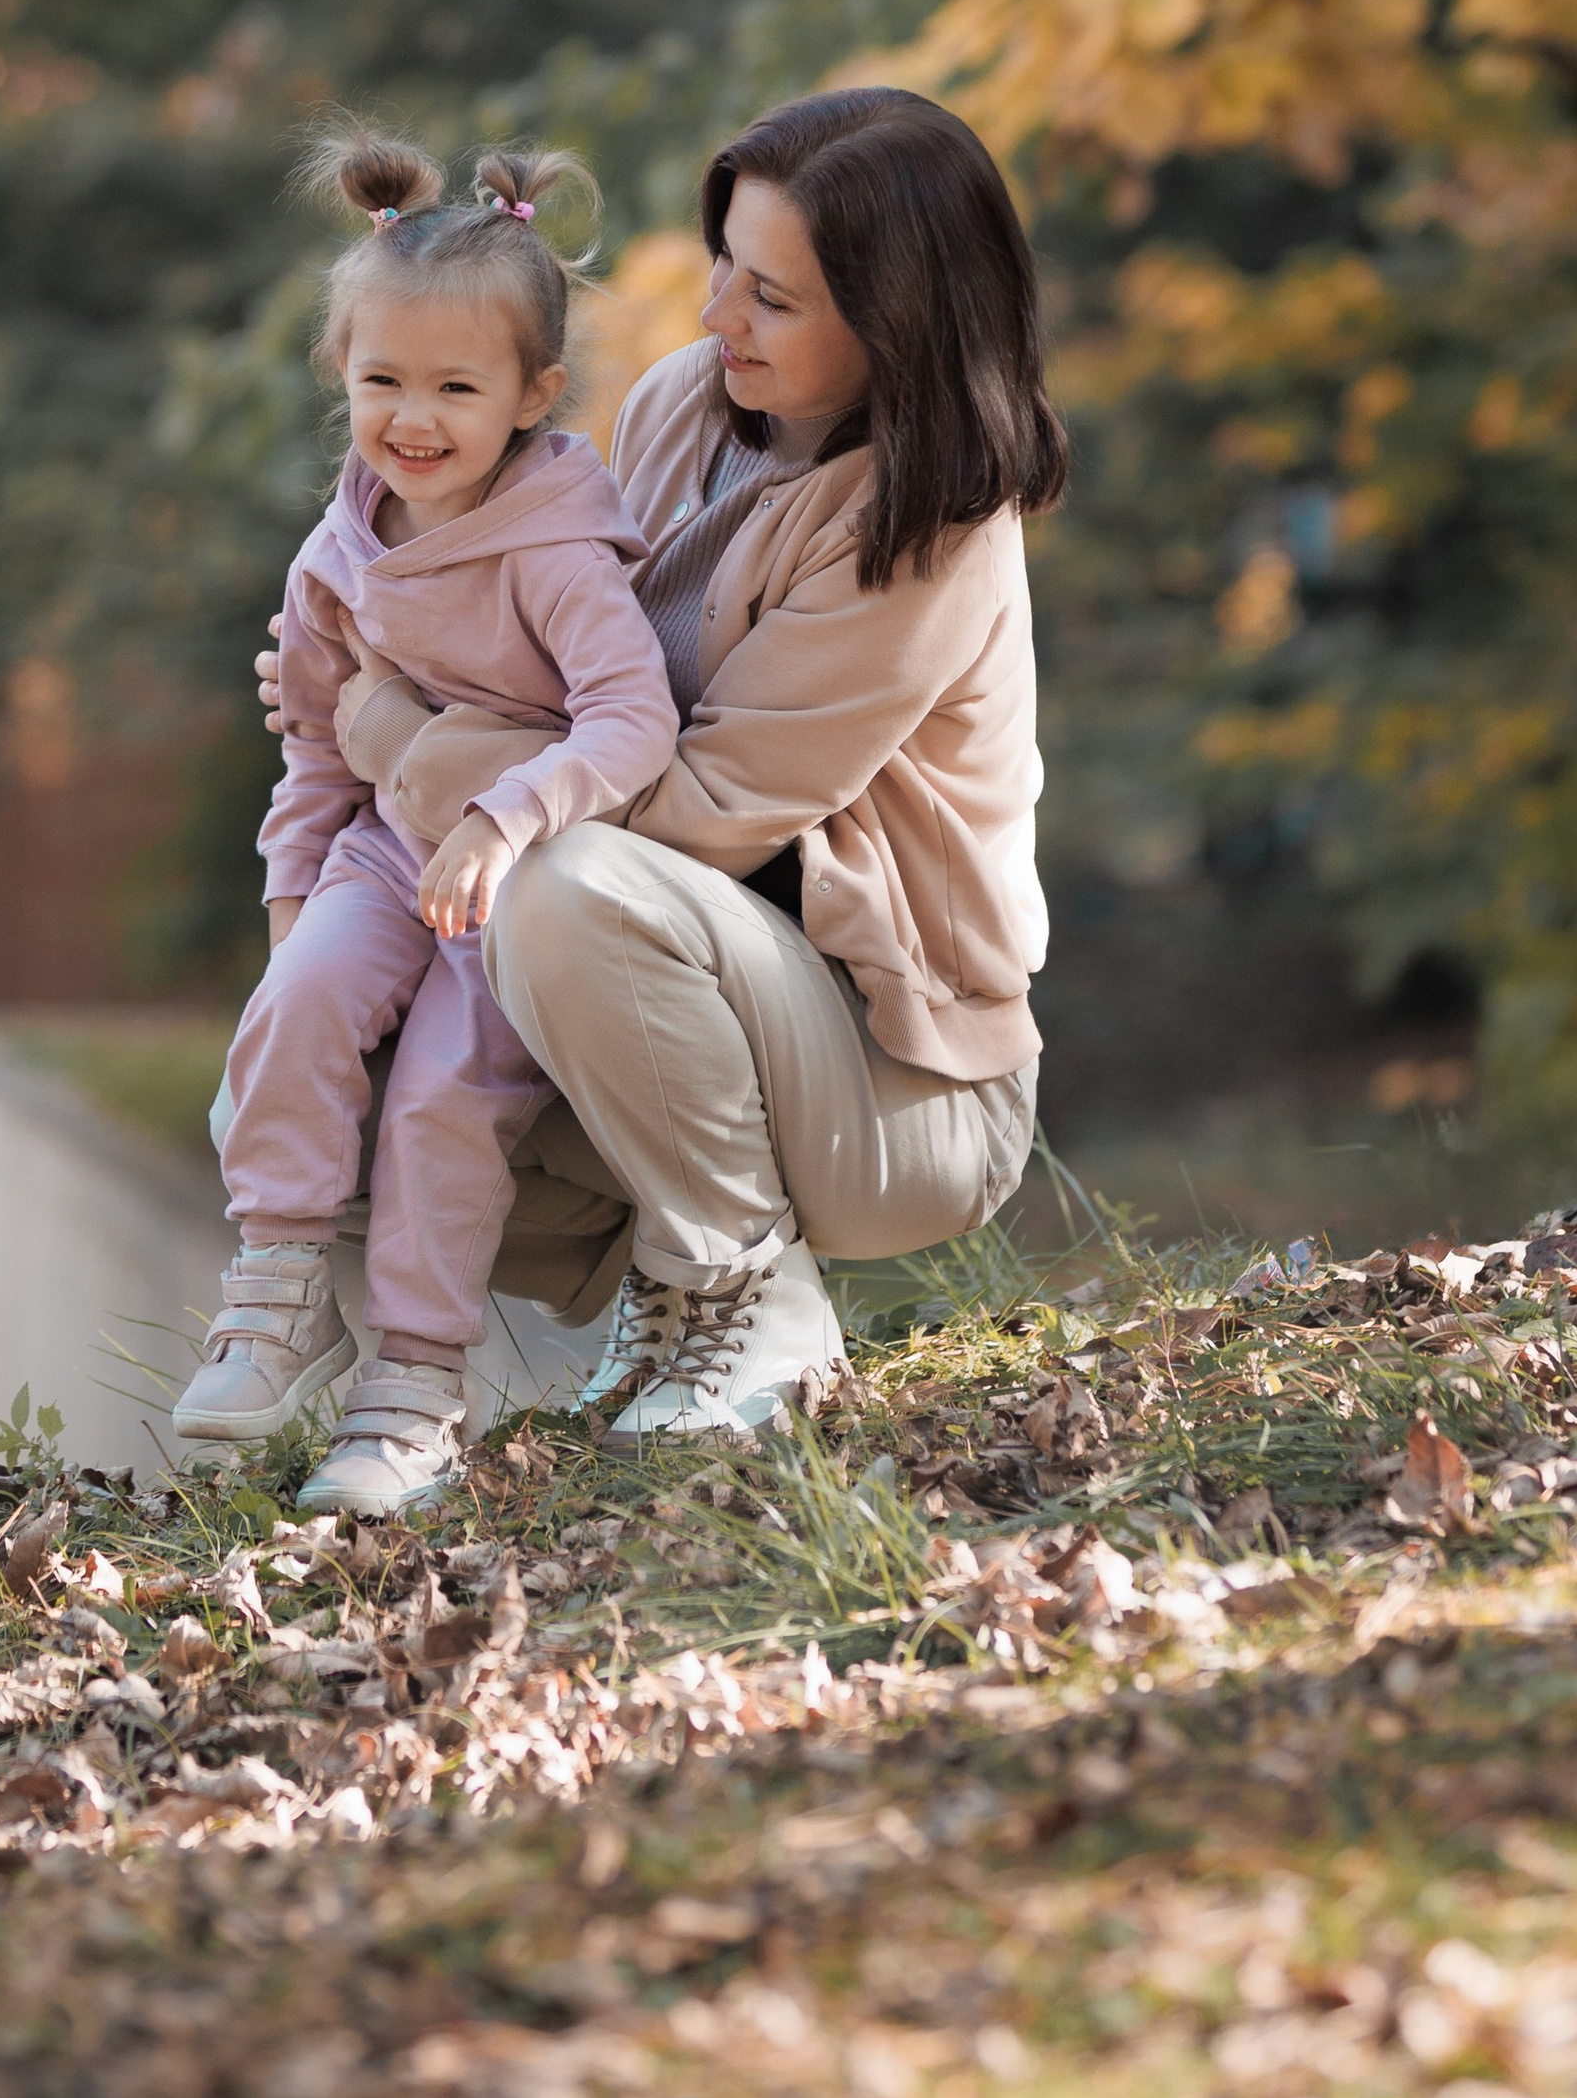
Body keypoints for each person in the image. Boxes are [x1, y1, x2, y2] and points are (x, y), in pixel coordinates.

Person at [308, 85, 1068, 1447]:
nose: (719, 312)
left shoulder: (933, 524)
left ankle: (746, 1288)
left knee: (564, 879)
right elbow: (553, 659)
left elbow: (699, 814)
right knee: (322, 1053)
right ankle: (670, 1287)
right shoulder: (679, 405)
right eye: (726, 260)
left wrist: (389, 732)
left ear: (894, 323)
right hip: (695, 988)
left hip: (903, 1084)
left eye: (772, 297)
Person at [177, 127, 679, 1516]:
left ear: (535, 394)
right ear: (341, 372)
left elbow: (631, 721)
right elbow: (317, 762)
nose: (414, 415)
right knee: (300, 1002)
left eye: (456, 385)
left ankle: (414, 1388)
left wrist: (506, 819)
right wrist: (292, 938)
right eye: (382, 378)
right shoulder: (336, 551)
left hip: (519, 878)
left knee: (447, 1096)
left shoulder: (559, 549)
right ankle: (278, 1291)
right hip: (383, 853)